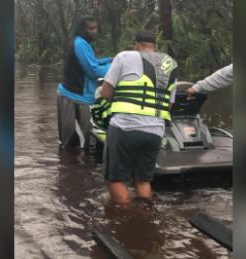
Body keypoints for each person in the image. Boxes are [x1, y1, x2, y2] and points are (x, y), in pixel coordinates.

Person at [97, 30, 179, 204]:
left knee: (115, 179)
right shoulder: (171, 64)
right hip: (155, 132)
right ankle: (145, 217)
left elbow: (105, 92)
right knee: (142, 180)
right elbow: (169, 105)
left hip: (125, 128)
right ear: (155, 47)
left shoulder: (125, 57)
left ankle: (130, 220)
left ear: (136, 45)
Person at [57, 16, 112, 150]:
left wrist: (111, 59)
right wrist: (116, 66)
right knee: (75, 142)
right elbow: (93, 71)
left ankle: (74, 168)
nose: (94, 31)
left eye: (95, 28)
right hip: (74, 97)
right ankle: (73, 169)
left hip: (80, 96)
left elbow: (94, 62)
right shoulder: (80, 44)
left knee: (82, 139)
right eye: (90, 28)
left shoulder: (85, 44)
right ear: (82, 29)